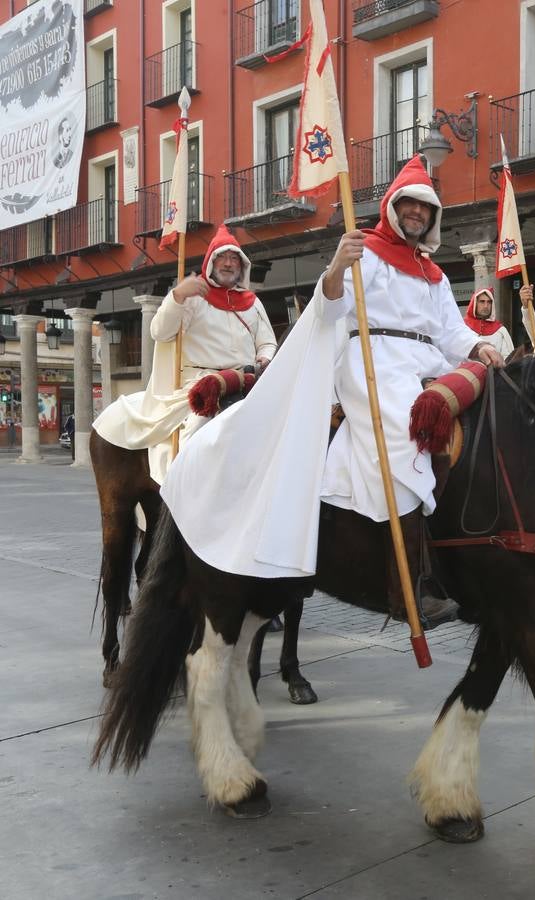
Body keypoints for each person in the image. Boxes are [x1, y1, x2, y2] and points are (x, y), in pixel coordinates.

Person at [160, 157, 504, 627]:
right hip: (373, 363)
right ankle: (406, 588)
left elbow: (452, 335)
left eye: (425, 208)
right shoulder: (367, 252)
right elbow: (331, 307)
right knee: (407, 439)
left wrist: (480, 345)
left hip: (428, 364)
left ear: (433, 217)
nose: (416, 214)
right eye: (409, 204)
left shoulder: (436, 276)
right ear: (392, 206)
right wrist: (339, 266)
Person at [93, 224, 277, 484]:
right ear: (211, 262)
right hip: (201, 380)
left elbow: (267, 342)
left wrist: (264, 358)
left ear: (242, 266)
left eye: (233, 258)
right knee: (199, 428)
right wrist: (177, 296)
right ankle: (183, 486)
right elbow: (161, 332)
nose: (227, 263)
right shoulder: (193, 297)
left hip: (246, 379)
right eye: (222, 257)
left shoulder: (252, 302)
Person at [463, 287, 514, 359]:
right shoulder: (462, 328)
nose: (486, 306)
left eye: (489, 302)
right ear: (474, 303)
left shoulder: (500, 331)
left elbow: (508, 359)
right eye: (482, 301)